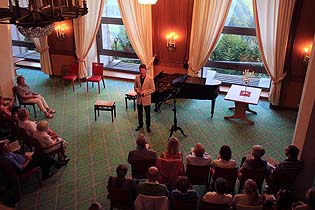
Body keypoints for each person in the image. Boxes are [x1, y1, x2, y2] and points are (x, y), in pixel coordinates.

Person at [134, 64, 155, 133]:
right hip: (139, 99)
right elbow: (135, 87)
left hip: (146, 99)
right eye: (140, 70)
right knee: (140, 113)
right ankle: (140, 125)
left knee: (147, 114)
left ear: (146, 70)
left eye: (143, 70)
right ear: (139, 70)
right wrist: (137, 90)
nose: (142, 72)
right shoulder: (137, 77)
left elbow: (152, 89)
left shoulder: (150, 78)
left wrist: (143, 92)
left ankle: (148, 126)